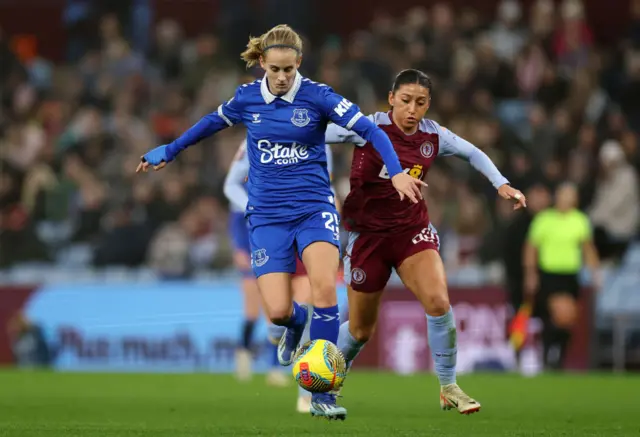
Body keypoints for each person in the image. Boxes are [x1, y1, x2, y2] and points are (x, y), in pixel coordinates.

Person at [136, 25, 424, 420]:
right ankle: (296, 323)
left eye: (289, 69)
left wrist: (395, 171)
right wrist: (169, 150)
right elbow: (209, 123)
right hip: (267, 217)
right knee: (277, 312)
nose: (283, 76)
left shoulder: (319, 96)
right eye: (275, 69)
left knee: (324, 290)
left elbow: (371, 129)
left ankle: (320, 394)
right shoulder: (247, 99)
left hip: (313, 209)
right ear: (262, 65)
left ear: (299, 63)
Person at [324, 69, 526, 415]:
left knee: (437, 300)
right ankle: (327, 380)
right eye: (405, 101)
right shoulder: (364, 127)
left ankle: (449, 386)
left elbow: (473, 152)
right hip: (367, 238)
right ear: (391, 99)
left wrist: (501, 184)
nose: (412, 110)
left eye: (420, 103)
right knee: (359, 329)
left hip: (411, 232)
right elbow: (317, 133)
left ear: (428, 104)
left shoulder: (434, 135)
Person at [223, 139, 337, 413]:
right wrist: (257, 207)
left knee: (310, 304)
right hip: (265, 228)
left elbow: (326, 184)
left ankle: (306, 390)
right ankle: (259, 344)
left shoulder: (319, 139)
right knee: (274, 311)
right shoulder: (256, 137)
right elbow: (231, 185)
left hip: (307, 225)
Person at [523, 182, 601, 370]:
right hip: (550, 275)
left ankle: (558, 356)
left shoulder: (579, 220)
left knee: (568, 320)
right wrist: (530, 274)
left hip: (570, 275)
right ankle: (550, 354)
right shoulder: (544, 219)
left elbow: (587, 248)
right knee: (557, 315)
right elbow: (531, 248)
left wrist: (595, 272)